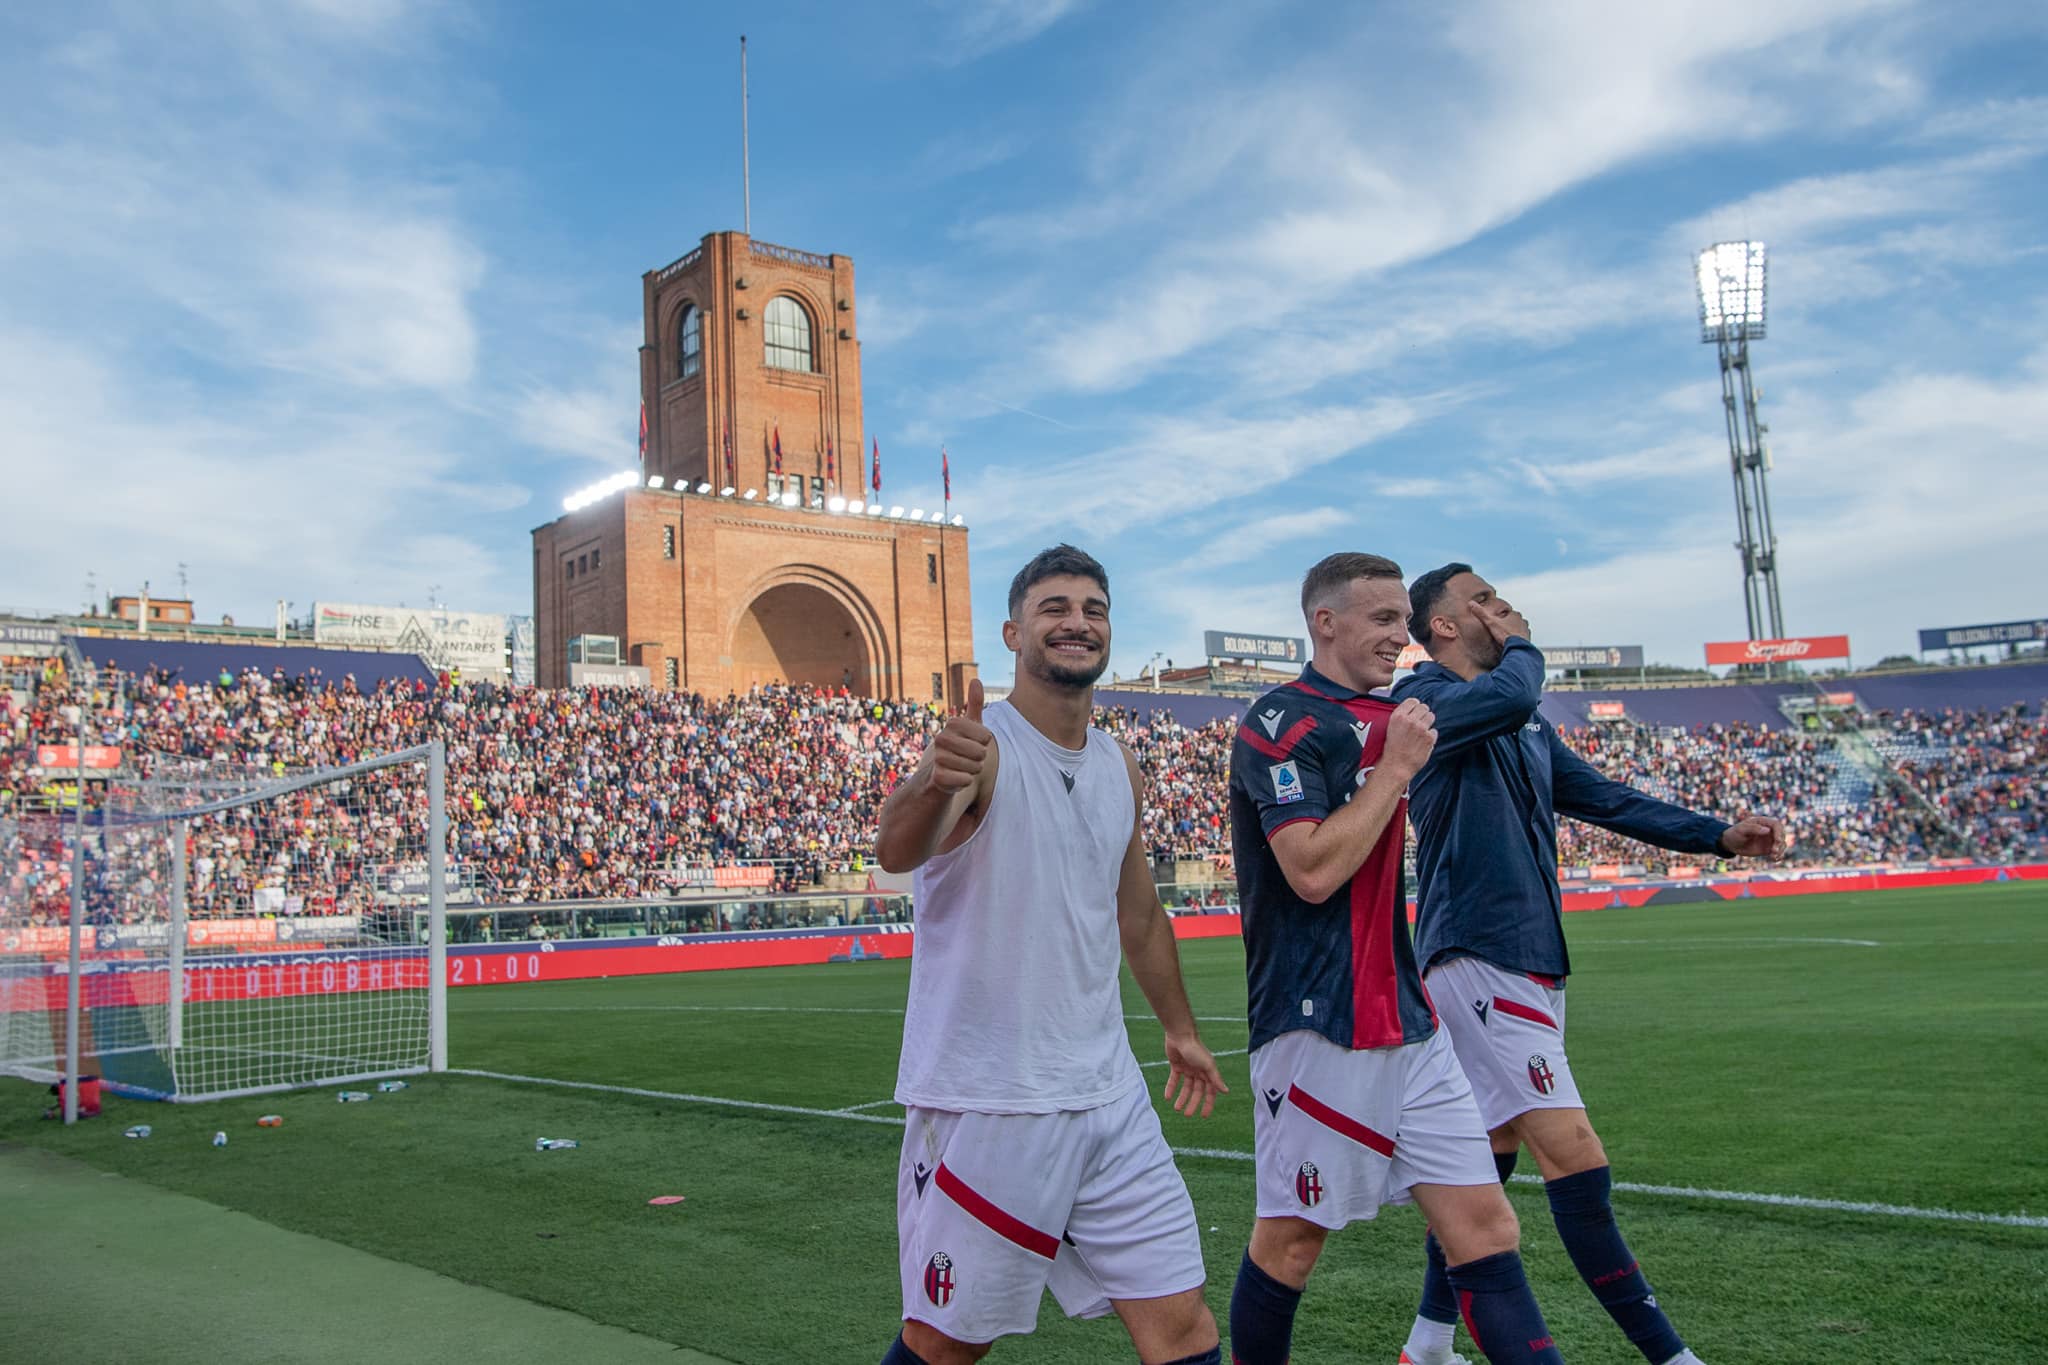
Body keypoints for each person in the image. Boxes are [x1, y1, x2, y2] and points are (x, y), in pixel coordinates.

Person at [1391, 564, 1787, 1365]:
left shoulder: (1523, 718)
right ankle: (1673, 1357)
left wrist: (1717, 834)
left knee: (1487, 1158)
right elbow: (1513, 693)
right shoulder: (1429, 704)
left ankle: (1427, 1346)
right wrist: (1524, 649)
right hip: (1476, 951)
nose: (1503, 607)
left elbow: (1603, 797)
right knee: (1573, 1152)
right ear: (1439, 625)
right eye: (1483, 600)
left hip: (1529, 954)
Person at [873, 544, 1229, 1365]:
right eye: (1055, 607)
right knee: (944, 1342)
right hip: (996, 1097)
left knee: (1182, 1326)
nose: (1077, 622)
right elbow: (898, 848)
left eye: (1093, 609)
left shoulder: (1118, 765)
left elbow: (1138, 914)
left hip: (1108, 1093)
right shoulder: (982, 748)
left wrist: (1178, 1028)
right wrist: (934, 780)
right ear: (1013, 631)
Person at [1226, 553, 1567, 1365]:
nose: (1398, 638)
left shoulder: (1401, 714)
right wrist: (1399, 769)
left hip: (1411, 1025)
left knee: (1485, 1228)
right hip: (1315, 1024)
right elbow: (1309, 870)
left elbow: (1503, 703)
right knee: (1291, 1243)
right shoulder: (1277, 723)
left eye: (1403, 623)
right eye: (1381, 620)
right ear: (1325, 622)